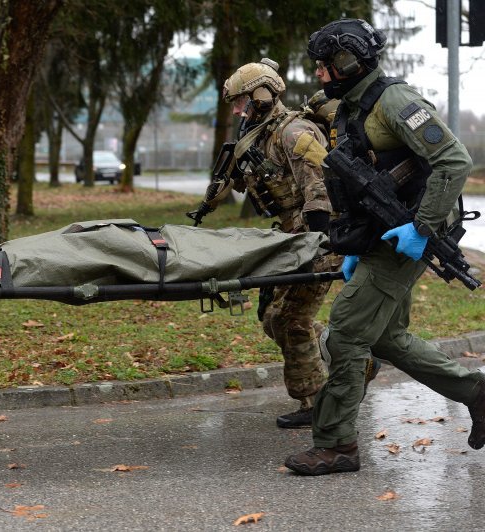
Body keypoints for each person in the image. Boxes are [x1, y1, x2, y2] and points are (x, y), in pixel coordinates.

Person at [285, 18, 485, 475]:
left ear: (347, 62)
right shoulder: (351, 108)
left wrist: (421, 228)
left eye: (324, 66)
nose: (318, 75)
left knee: (348, 331)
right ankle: (477, 393)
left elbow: (454, 161)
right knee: (385, 337)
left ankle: (336, 445)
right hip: (384, 233)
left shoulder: (394, 101)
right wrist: (358, 244)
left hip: (412, 233)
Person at [206, 58, 345, 428]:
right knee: (272, 319)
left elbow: (321, 195)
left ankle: (318, 403)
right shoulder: (262, 136)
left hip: (320, 239)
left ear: (263, 95)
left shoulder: (294, 133)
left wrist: (316, 247)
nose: (237, 110)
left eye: (241, 101)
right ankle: (349, 358)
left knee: (291, 320)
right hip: (292, 239)